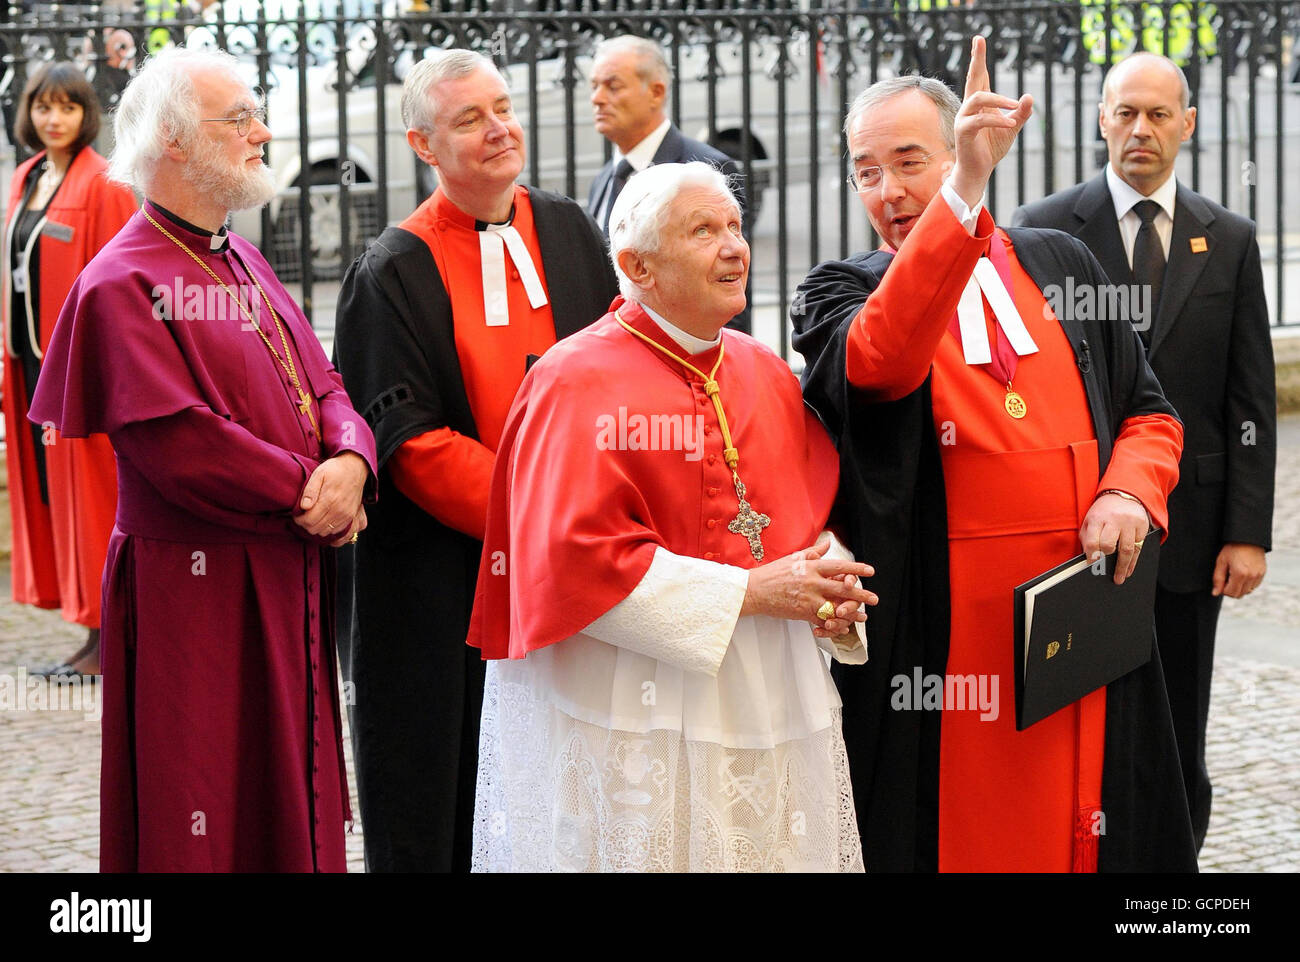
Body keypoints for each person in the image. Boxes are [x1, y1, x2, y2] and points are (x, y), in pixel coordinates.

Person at [792, 38, 1197, 872]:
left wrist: (1127, 495)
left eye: (910, 161)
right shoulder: (840, 290)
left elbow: (1150, 414)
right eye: (866, 171)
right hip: (946, 633)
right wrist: (962, 196)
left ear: (957, 146)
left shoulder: (1059, 260)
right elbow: (880, 361)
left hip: (1084, 610)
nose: (889, 189)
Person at [468, 161, 874, 872]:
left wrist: (824, 591)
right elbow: (569, 562)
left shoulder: (763, 369)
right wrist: (749, 593)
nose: (734, 247)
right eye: (704, 230)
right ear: (637, 265)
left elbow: (798, 516)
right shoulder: (573, 380)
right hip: (631, 694)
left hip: (763, 687)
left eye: (735, 228)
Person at [29, 46, 377, 872]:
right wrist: (314, 490)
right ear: (176, 142)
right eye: (241, 119)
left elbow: (323, 381)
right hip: (197, 588)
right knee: (205, 797)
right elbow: (181, 444)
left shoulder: (241, 253)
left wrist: (354, 461)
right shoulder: (121, 281)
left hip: (286, 569)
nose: (262, 132)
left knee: (289, 788)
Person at [332, 49, 618, 873]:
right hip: (444, 587)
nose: (498, 129)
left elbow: (617, 372)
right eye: (469, 120)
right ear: (424, 145)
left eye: (502, 107)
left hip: (570, 571)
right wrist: (554, 514)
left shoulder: (566, 228)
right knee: (447, 799)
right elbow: (408, 443)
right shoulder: (391, 271)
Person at [1013, 52, 1276, 853]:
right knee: (1077, 722)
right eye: (1125, 112)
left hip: (1191, 538)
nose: (1141, 130)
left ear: (1187, 125)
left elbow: (1249, 398)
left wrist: (1248, 532)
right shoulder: (1044, 227)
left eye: (1159, 115)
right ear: (1101, 118)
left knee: (1178, 725)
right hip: (1073, 529)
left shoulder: (1226, 238)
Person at [3, 62, 136, 679]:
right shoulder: (27, 177)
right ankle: (89, 628)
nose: (53, 119)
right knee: (54, 494)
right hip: (28, 361)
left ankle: (108, 633)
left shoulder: (104, 184)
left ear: (87, 115)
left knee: (92, 495)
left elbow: (120, 283)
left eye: (68, 108)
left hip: (76, 367)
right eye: (43, 107)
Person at [587, 36, 750, 332]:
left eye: (613, 86)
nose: (597, 98)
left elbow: (728, 284)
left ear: (656, 92)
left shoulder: (703, 167)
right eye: (594, 86)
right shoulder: (605, 178)